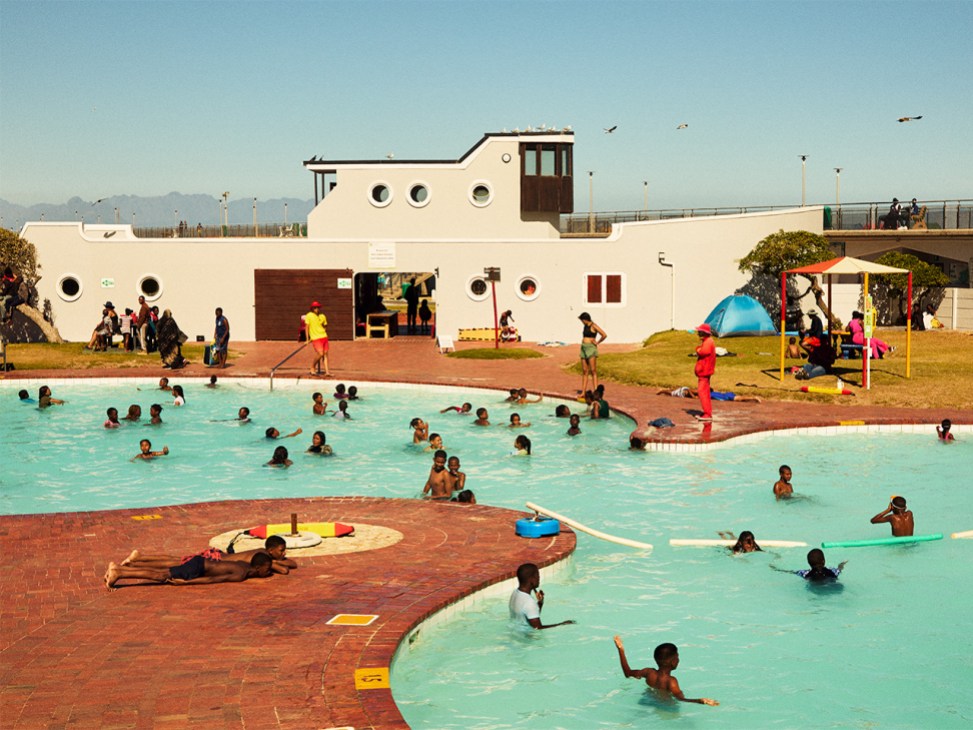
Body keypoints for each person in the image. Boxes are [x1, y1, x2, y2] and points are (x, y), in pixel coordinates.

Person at [613, 636, 718, 706]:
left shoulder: (648, 673)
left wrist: (621, 650)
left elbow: (628, 673)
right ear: (673, 662)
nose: (679, 659)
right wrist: (700, 701)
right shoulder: (671, 681)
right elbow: (680, 699)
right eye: (677, 657)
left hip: (648, 700)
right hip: (667, 707)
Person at [121, 535, 297, 575]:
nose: (284, 553)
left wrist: (282, 558)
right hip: (215, 559)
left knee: (177, 560)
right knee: (174, 564)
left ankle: (140, 558)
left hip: (216, 555)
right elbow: (286, 569)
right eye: (281, 550)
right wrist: (282, 561)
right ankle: (138, 561)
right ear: (271, 550)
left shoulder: (261, 552)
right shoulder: (263, 557)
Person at [104, 552, 273, 592]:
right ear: (259, 568)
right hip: (197, 568)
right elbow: (213, 581)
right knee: (162, 576)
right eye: (268, 568)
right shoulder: (240, 574)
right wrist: (187, 583)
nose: (269, 571)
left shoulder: (243, 564)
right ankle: (119, 573)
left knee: (163, 571)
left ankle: (121, 569)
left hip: (200, 562)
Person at [509, 562, 575, 630]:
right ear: (532, 579)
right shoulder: (529, 602)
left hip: (516, 632)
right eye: (537, 576)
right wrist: (562, 624)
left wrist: (540, 603)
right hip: (527, 638)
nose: (539, 578)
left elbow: (531, 616)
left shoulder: (515, 593)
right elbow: (538, 628)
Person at [578, 312, 607, 395]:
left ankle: (596, 391)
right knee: (584, 371)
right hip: (583, 348)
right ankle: (583, 391)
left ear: (585, 319)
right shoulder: (585, 326)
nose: (582, 322)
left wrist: (597, 342)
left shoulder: (593, 325)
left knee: (593, 370)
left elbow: (604, 335)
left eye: (582, 320)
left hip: (591, 348)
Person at [694, 324, 716, 421]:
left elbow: (704, 352)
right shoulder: (708, 341)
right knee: (705, 391)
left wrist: (698, 349)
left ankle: (707, 414)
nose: (698, 333)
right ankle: (707, 412)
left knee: (702, 392)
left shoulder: (708, 342)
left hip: (704, 372)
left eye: (700, 331)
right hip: (705, 371)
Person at [305, 301, 332, 376]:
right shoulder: (309, 315)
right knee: (320, 353)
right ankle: (312, 367)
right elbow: (307, 327)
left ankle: (327, 372)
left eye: (317, 307)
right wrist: (307, 339)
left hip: (323, 336)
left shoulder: (322, 316)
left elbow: (325, 325)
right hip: (316, 338)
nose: (316, 309)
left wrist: (323, 331)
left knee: (325, 354)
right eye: (315, 307)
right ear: (312, 308)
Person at [656, 386, 761, 403]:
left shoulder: (705, 393)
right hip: (725, 395)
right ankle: (752, 398)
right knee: (669, 392)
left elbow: (689, 390)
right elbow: (689, 389)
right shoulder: (707, 392)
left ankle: (753, 398)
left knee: (739, 399)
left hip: (725, 396)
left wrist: (694, 397)